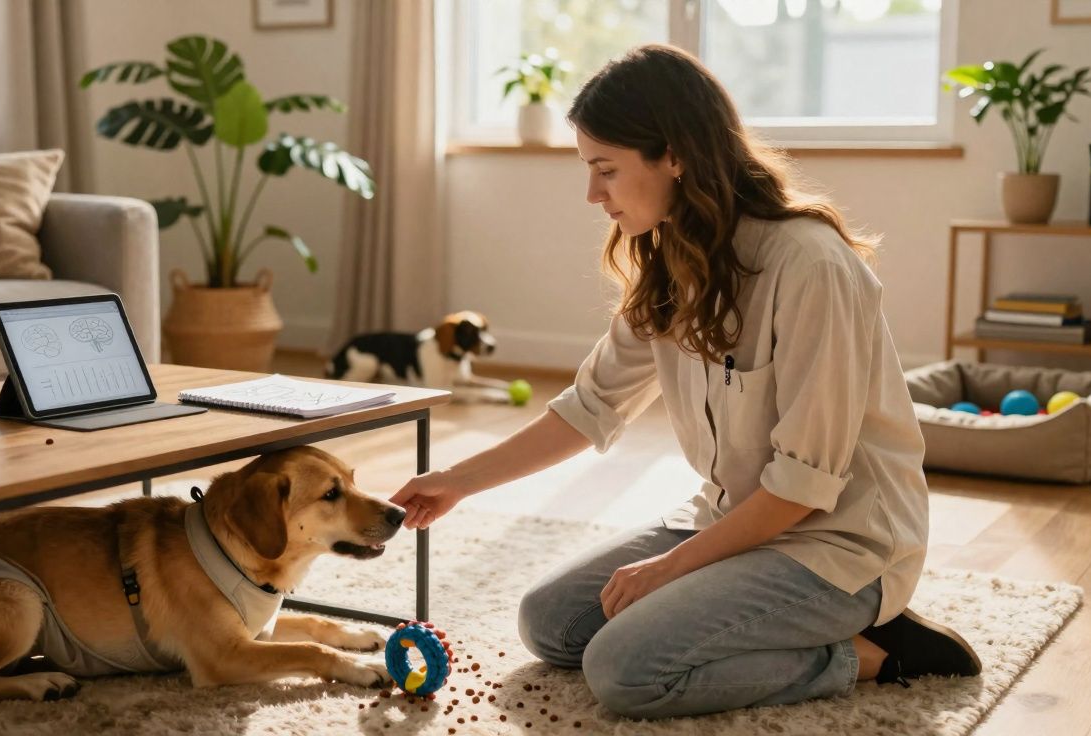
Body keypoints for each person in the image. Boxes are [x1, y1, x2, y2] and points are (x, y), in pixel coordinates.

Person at [389, 44, 981, 720]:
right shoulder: (674, 261)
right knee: (551, 623)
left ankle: (875, 653)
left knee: (625, 671)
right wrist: (457, 481)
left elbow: (802, 486)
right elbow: (590, 407)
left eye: (606, 170)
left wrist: (670, 570)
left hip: (840, 545)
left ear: (673, 156)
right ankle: (760, 617)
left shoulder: (810, 267)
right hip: (734, 520)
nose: (593, 194)